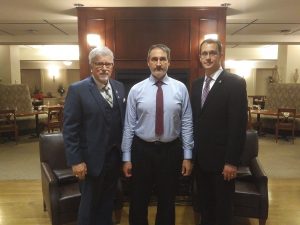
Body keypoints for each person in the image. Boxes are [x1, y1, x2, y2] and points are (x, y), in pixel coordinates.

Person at [121, 43, 194, 225]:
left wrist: (187, 156)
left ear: (169, 62)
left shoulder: (180, 89)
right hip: (142, 150)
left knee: (167, 200)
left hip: (171, 150)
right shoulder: (136, 90)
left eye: (163, 59)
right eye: (155, 59)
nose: (159, 63)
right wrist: (126, 157)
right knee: (138, 199)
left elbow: (186, 123)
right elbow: (129, 125)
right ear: (148, 62)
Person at [63, 46, 126, 225]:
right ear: (91, 66)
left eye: (108, 64)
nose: (104, 68)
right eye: (99, 64)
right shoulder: (77, 90)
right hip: (90, 161)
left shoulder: (119, 87)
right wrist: (76, 161)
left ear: (113, 66)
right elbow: (70, 129)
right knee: (89, 205)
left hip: (114, 158)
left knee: (107, 202)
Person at [191, 38, 248, 225]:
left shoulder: (235, 83)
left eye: (212, 53)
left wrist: (231, 161)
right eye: (204, 53)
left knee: (222, 210)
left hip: (223, 164)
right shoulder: (197, 84)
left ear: (220, 55)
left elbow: (238, 126)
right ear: (200, 57)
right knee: (205, 207)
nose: (208, 57)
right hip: (201, 161)